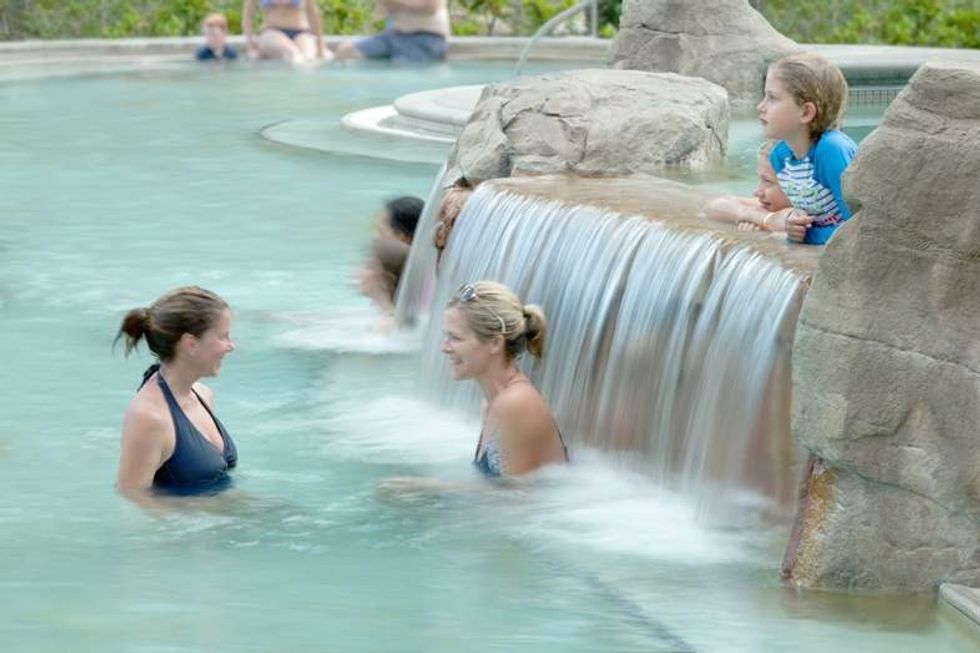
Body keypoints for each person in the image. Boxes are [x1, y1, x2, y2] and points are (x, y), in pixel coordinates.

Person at [115, 286, 238, 498]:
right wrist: (198, 524)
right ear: (191, 344)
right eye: (223, 336)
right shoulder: (150, 417)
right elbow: (132, 496)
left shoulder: (202, 395)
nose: (231, 346)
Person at [442, 281, 568, 478]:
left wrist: (431, 490)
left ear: (495, 343)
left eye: (455, 338)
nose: (445, 347)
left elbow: (518, 499)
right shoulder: (492, 403)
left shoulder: (516, 404)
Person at [757, 52, 858, 245]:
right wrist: (794, 224)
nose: (760, 106)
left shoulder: (832, 151)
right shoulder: (780, 157)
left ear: (805, 112)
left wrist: (809, 236)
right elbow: (809, 217)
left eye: (772, 98)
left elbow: (855, 228)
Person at [701, 140, 803, 233]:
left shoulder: (809, 215)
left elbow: (788, 223)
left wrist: (761, 220)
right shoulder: (767, 207)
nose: (757, 192)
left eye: (767, 181)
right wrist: (761, 218)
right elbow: (713, 206)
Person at [334, 0, 449, 64]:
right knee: (345, 52)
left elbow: (430, 7)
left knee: (399, 70)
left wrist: (398, 2)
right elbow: (381, 12)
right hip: (393, 36)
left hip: (426, 37)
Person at [242, 0, 330, 63]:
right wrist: (250, 47)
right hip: (271, 31)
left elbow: (313, 14)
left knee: (310, 59)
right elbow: (247, 16)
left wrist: (320, 46)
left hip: (301, 32)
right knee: (294, 57)